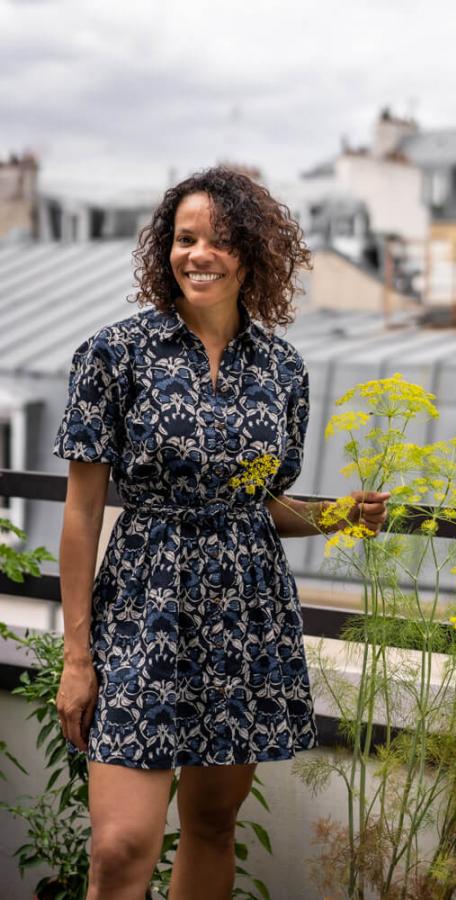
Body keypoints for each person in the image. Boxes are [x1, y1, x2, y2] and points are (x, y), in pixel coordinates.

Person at [53, 167, 390, 900]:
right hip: (142, 613)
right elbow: (81, 515)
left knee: (211, 825)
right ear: (163, 250)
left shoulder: (283, 370)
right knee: (119, 845)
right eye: (184, 238)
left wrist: (338, 515)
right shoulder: (114, 355)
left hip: (244, 614)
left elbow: (258, 505)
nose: (198, 254)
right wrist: (78, 657)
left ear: (254, 254)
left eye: (220, 239)